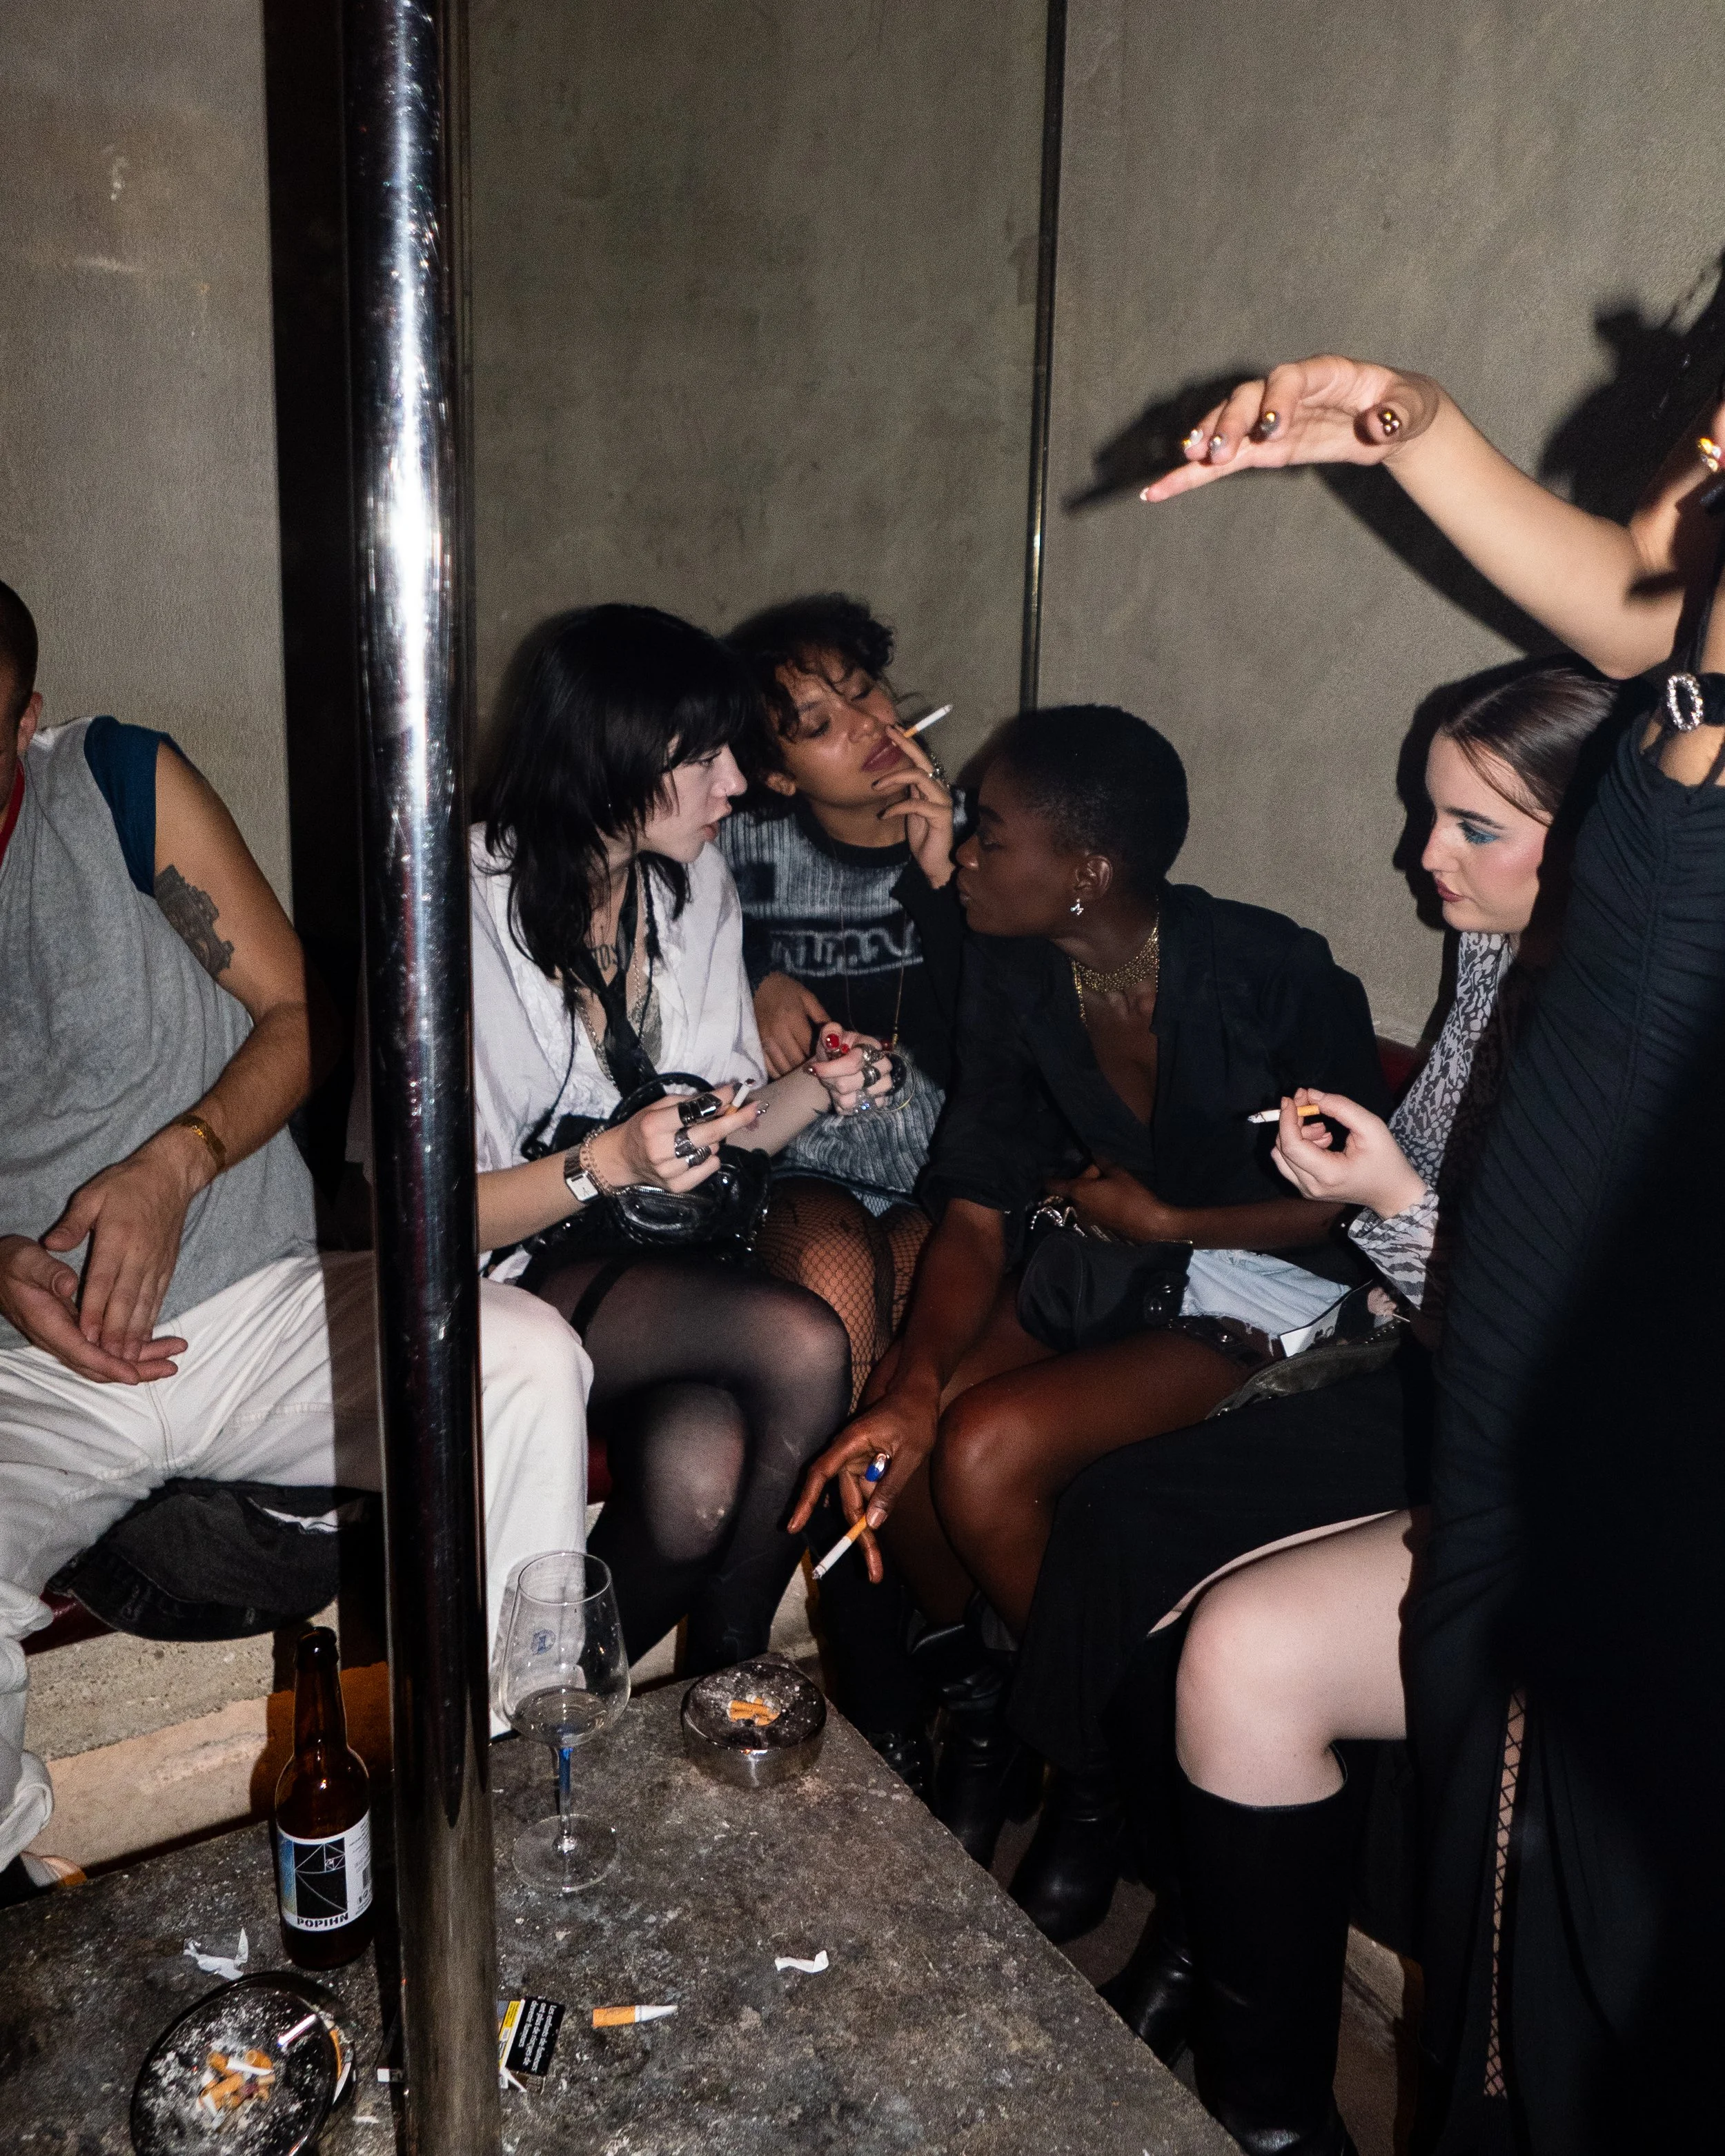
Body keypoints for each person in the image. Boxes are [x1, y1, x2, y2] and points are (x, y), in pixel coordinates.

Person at [1144, 357, 1725, 2153]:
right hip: (1515, 1418)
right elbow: (1625, 587)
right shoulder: (1677, 678)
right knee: (1508, 1963)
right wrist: (1400, 423)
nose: (1693, 474)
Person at [1041, 665, 1609, 2156]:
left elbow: (1557, 1341)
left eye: (1473, 826)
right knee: (1124, 1521)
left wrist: (1393, 1201)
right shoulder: (1493, 956)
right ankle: (1202, 1953)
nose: (1424, 856)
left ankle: (1240, 2037)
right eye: (1430, 811)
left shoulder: (1640, 1018)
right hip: (1435, 1380)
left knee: (1216, 1612)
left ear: (1598, 844)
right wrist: (1366, 1178)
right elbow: (1430, 1222)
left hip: (1565, 1466)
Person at [0, 578, 590, 1906]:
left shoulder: (113, 780)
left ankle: (503, 1791)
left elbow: (306, 1012)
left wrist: (179, 1161)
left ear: (25, 718)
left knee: (525, 1362)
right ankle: (23, 1911)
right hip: (33, 1362)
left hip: (254, 1301)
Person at [789, 702, 1390, 1876]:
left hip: (1269, 1282)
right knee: (907, 1443)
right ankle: (996, 1715)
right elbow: (976, 1202)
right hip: (1108, 1265)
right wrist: (907, 1385)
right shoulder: (1016, 968)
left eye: (991, 835)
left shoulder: (1274, 970)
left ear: (1088, 871)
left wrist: (1170, 1220)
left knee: (985, 1449)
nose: (962, 856)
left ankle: (1111, 1774)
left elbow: (1361, 1203)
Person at [468, 603, 896, 1677]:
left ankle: (552, 1709)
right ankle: (737, 1668)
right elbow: (434, 1217)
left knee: (697, 1481)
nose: (735, 784)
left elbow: (722, 1135)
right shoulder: (457, 905)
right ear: (611, 758)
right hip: (508, 1277)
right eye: (704, 758)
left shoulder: (693, 885)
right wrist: (607, 1162)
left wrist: (819, 1088)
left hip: (658, 1268)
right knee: (805, 1342)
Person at [722, 593, 961, 1400]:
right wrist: (756, 974)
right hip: (796, 1153)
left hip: (942, 1162)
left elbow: (1010, 1028)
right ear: (778, 773)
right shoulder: (740, 843)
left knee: (917, 1296)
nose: (866, 724)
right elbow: (655, 912)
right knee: (835, 1267)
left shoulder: (984, 837)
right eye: (819, 723)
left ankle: (865, 1478)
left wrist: (940, 879)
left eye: (864, 690)